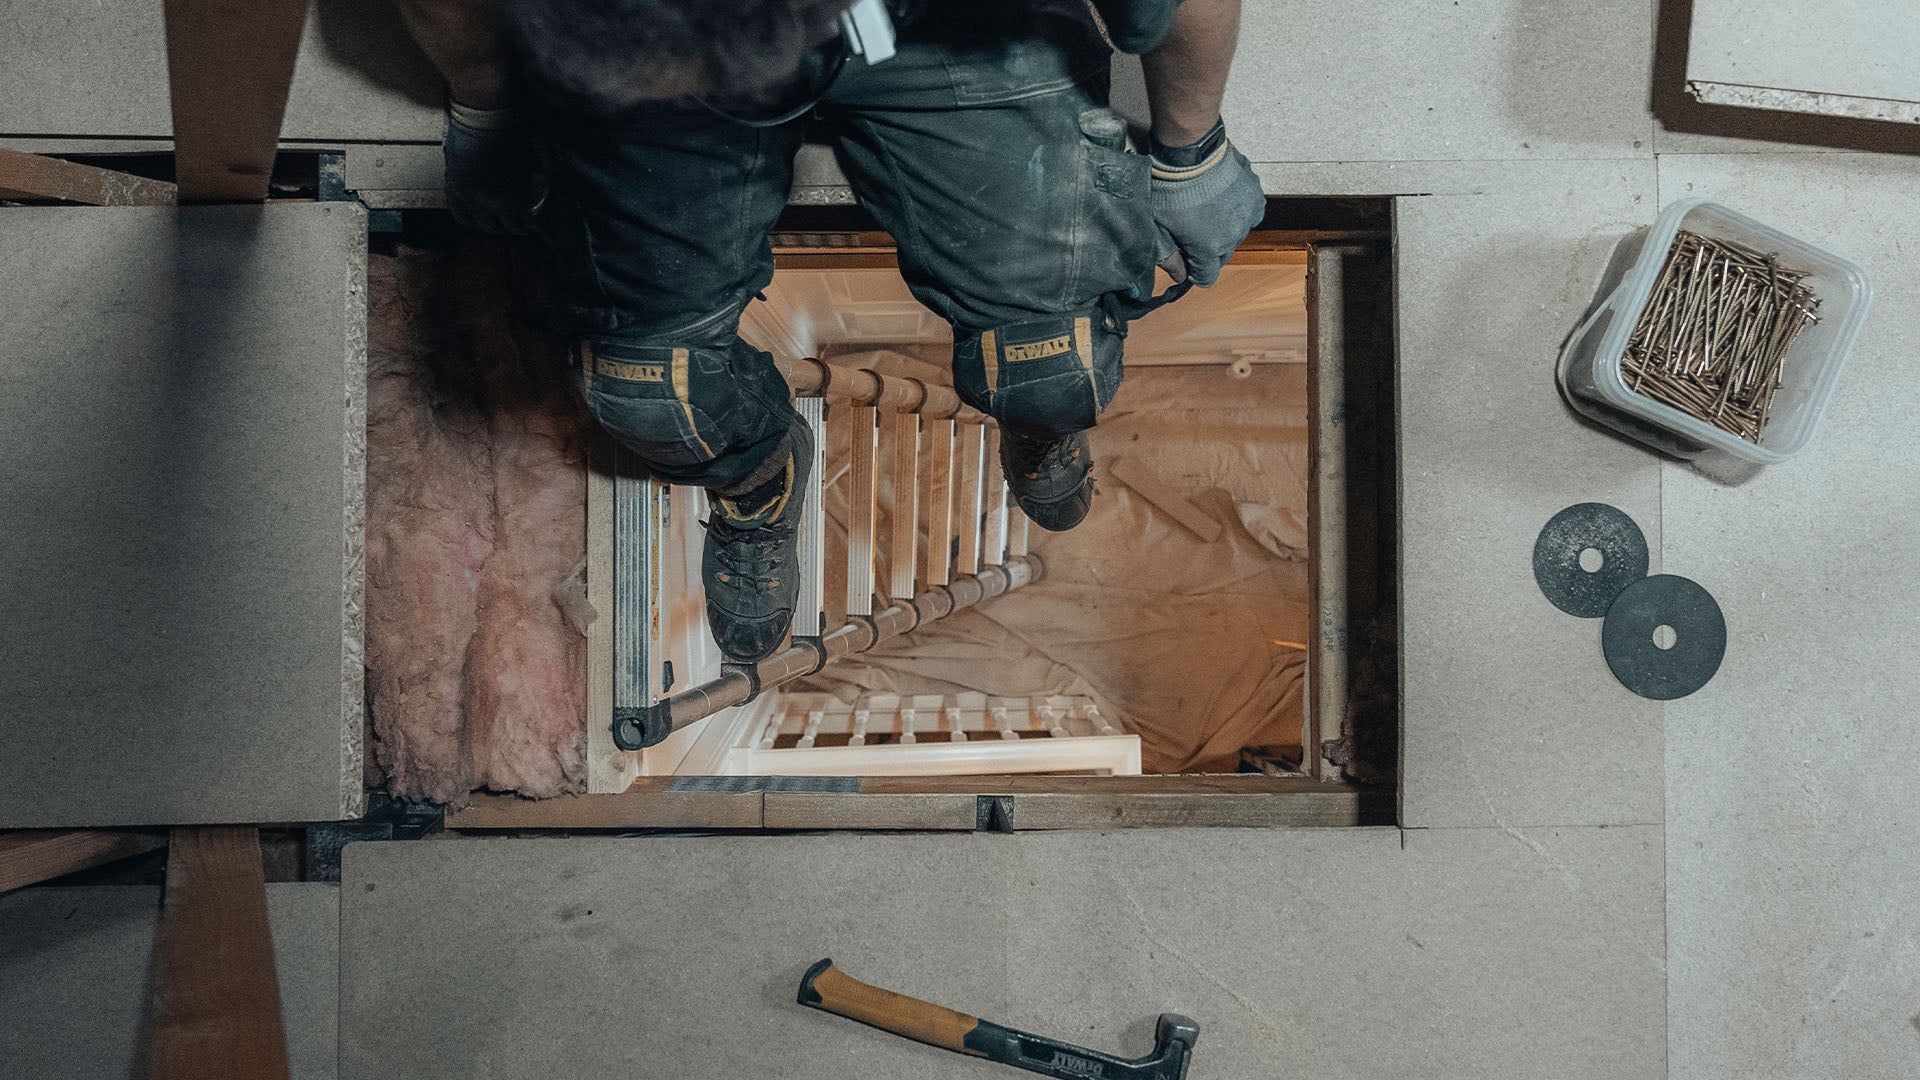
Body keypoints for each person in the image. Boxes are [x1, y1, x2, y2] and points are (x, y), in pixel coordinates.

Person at [396, 0, 1264, 663]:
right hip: (677, 54)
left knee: (1048, 366)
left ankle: (1038, 419)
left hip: (953, 26)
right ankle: (758, 482)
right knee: (649, 391)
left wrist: (1193, 154)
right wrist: (489, 107)